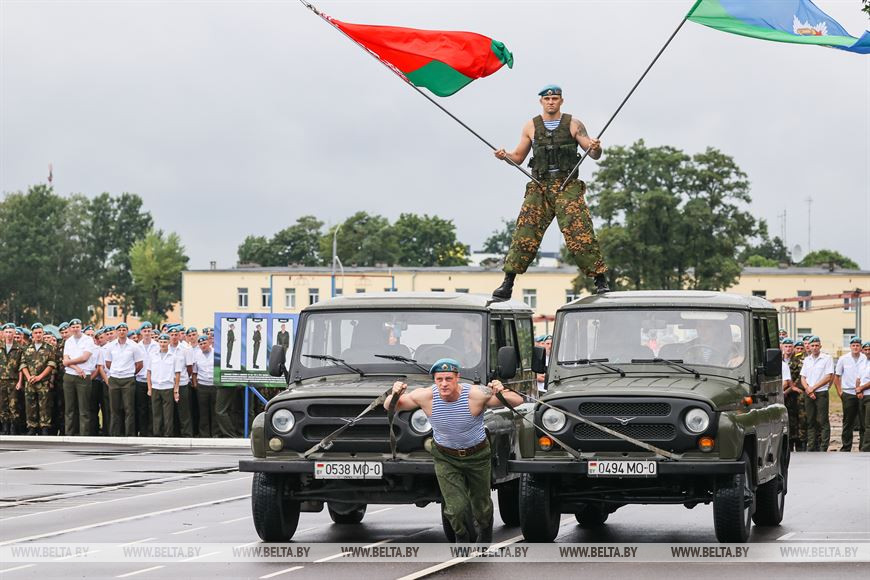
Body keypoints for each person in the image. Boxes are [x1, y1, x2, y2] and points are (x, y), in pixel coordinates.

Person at [384, 358, 524, 543]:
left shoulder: (475, 394)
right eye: (439, 379)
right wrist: (394, 393)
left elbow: (518, 400)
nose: (443, 384)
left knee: (481, 505)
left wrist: (501, 390)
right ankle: (462, 536)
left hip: (477, 456)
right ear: (434, 380)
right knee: (455, 507)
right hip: (445, 457)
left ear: (457, 378)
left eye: (448, 378)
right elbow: (389, 406)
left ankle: (485, 529)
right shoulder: (425, 396)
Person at [491, 84, 609, 301]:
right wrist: (504, 155)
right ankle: (508, 283)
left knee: (579, 229)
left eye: (555, 98)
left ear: (561, 101)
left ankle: (600, 280)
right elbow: (517, 157)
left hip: (567, 185)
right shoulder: (531, 126)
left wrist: (596, 147)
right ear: (541, 102)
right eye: (547, 99)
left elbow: (593, 154)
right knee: (524, 231)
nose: (551, 102)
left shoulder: (574, 124)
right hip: (541, 185)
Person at [105, 323, 145, 437]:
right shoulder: (111, 346)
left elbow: (139, 364)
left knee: (129, 409)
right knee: (114, 408)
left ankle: (129, 434)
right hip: (114, 379)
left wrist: (130, 372)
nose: (122, 332)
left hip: (128, 379)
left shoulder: (133, 346)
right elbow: (108, 363)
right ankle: (115, 434)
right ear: (117, 332)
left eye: (124, 330)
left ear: (127, 331)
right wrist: (117, 371)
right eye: (120, 330)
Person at [19, 323, 56, 435]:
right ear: (32, 335)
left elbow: (51, 364)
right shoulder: (26, 348)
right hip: (30, 382)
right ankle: (32, 427)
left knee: (44, 405)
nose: (38, 335)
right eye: (36, 333)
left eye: (40, 332)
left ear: (43, 334)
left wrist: (40, 377)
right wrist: (29, 377)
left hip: (43, 381)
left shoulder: (49, 348)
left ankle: (44, 427)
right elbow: (23, 364)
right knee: (30, 405)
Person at [62, 318, 96, 436]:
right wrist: (77, 368)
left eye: (77, 327)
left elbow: (84, 357)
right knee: (69, 408)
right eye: (73, 327)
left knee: (84, 409)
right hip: (70, 375)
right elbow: (65, 360)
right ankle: (69, 434)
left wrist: (70, 363)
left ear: (81, 327)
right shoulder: (68, 341)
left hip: (83, 376)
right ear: (70, 329)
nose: (75, 329)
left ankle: (84, 435)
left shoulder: (88, 340)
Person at [800, 336, 833, 452]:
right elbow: (803, 377)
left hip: (821, 392)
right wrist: (808, 389)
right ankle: (811, 446)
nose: (814, 348)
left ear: (820, 346)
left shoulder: (826, 358)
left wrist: (813, 388)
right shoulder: (807, 360)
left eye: (816, 345)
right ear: (809, 346)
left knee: (823, 421)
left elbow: (828, 377)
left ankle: (823, 447)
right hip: (809, 393)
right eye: (812, 345)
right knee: (810, 421)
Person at [835, 337, 867, 452]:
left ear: (861, 347)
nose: (855, 348)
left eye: (858, 345)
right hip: (848, 393)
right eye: (853, 345)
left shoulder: (865, 358)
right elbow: (837, 376)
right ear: (850, 347)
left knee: (863, 421)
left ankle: (863, 447)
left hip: (862, 393)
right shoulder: (843, 359)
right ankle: (846, 447)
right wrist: (840, 392)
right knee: (848, 422)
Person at [147, 333, 181, 437]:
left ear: (169, 342)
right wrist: (149, 388)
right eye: (161, 342)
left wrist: (176, 390)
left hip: (167, 387)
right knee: (156, 413)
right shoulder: (153, 356)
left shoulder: (174, 357)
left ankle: (168, 435)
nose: (162, 344)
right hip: (156, 387)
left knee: (168, 414)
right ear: (158, 342)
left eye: (165, 342)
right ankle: (157, 434)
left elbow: (177, 374)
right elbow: (149, 372)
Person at [0, 323, 24, 435]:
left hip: (13, 380)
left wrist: (20, 381)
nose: (9, 334)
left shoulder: (19, 348)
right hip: (1, 380)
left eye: (11, 332)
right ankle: (5, 427)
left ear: (14, 333)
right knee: (2, 405)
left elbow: (21, 367)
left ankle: (13, 428)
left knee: (13, 405)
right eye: (7, 332)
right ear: (3, 333)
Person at [134, 323, 158, 436]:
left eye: (149, 331)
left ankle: (152, 431)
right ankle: (143, 432)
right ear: (141, 333)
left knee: (153, 407)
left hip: (154, 381)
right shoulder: (136, 347)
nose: (147, 333)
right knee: (142, 407)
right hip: (140, 380)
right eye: (145, 331)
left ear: (152, 332)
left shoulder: (157, 346)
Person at [780, 338, 802, 451]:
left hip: (794, 395)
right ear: (782, 347)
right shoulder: (778, 360)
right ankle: (787, 445)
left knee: (795, 420)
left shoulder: (798, 362)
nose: (788, 349)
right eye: (786, 346)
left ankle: (797, 443)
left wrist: (785, 391)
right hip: (781, 394)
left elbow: (798, 380)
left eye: (790, 347)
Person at [193, 336, 216, 437]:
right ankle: (204, 434)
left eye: (204, 343)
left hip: (214, 385)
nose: (203, 346)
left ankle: (216, 433)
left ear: (209, 342)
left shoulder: (216, 353)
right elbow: (194, 372)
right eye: (201, 344)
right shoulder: (196, 355)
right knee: (203, 412)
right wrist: (195, 384)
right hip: (202, 385)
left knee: (215, 411)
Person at [858, 351, 870, 452]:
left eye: (869, 349)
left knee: (868, 424)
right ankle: (863, 445)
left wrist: (861, 388)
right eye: (865, 349)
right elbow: (858, 378)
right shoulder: (862, 362)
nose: (868, 351)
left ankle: (866, 448)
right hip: (862, 396)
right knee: (862, 424)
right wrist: (858, 390)